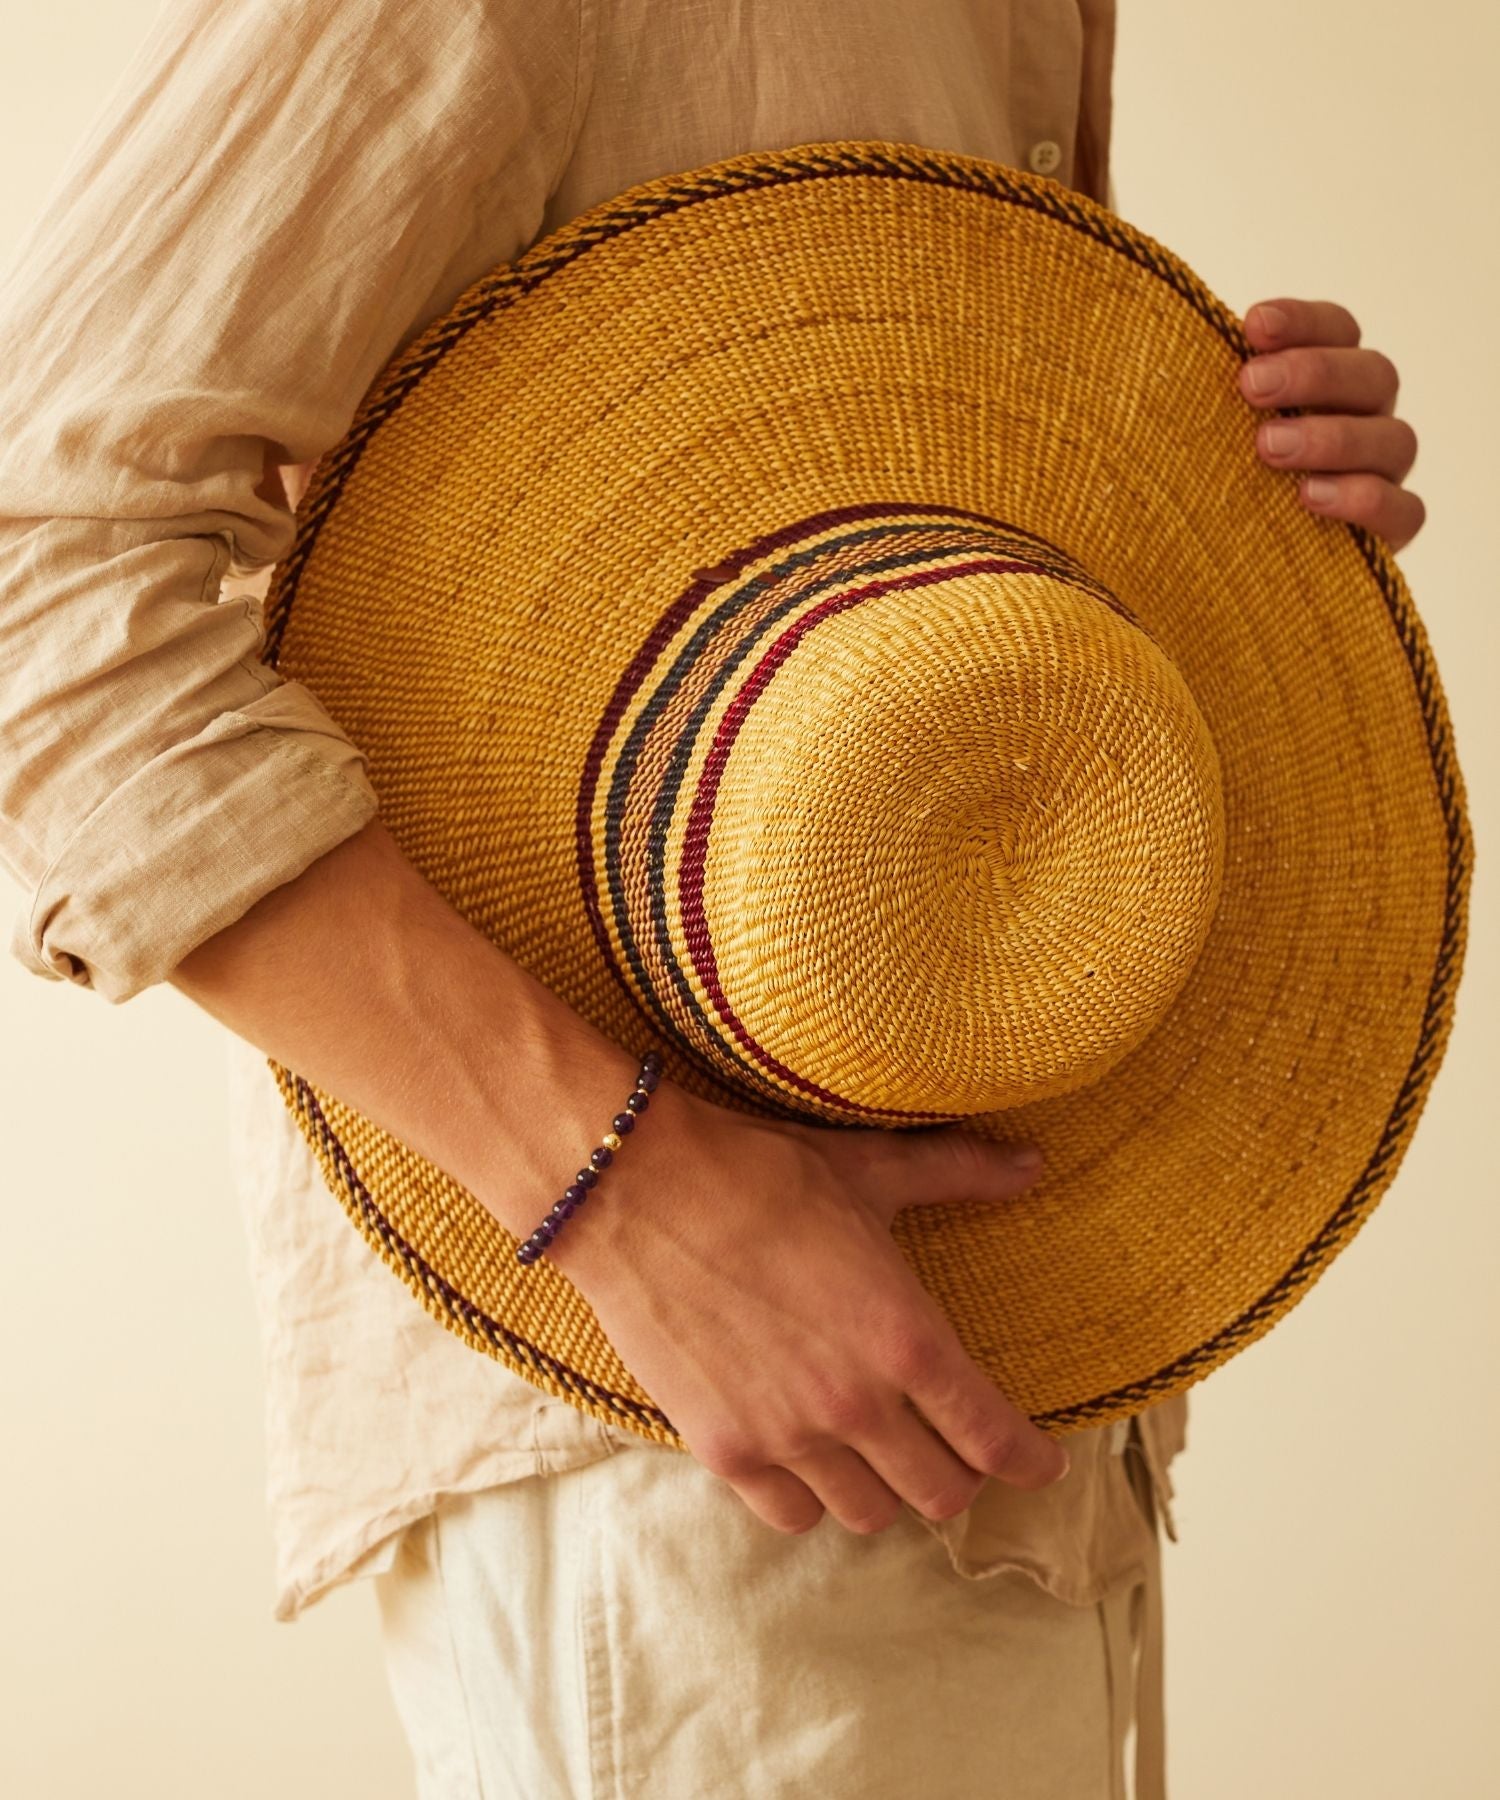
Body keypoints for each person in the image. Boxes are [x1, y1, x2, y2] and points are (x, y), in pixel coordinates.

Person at [0, 3, 1425, 1794]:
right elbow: (38, 560)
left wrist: (1211, 498)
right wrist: (628, 1194)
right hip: (689, 1450)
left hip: (988, 1397)